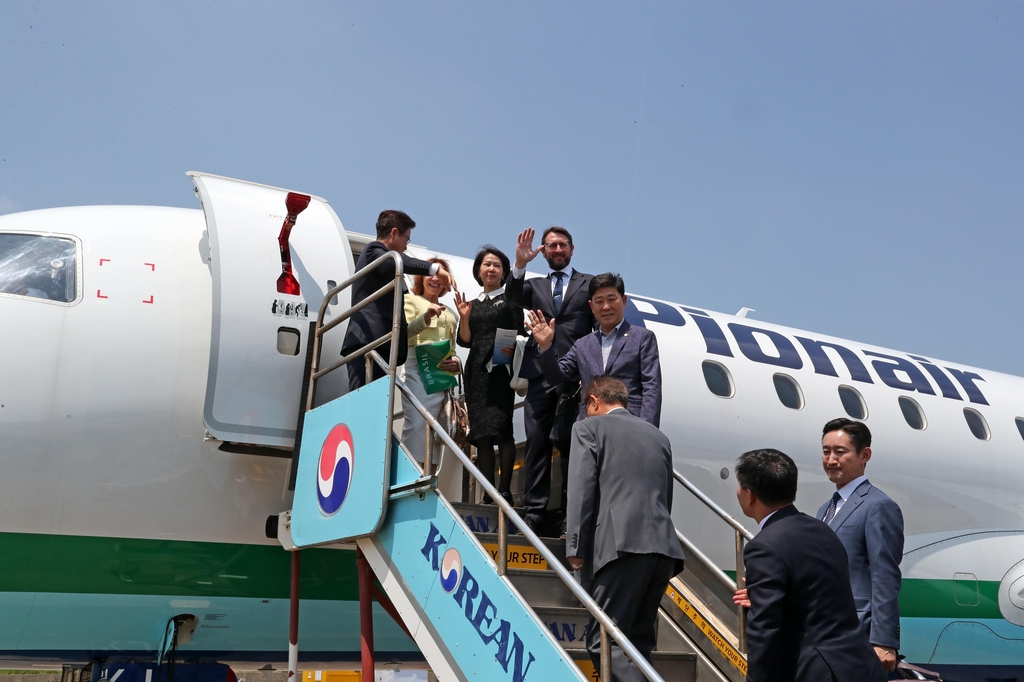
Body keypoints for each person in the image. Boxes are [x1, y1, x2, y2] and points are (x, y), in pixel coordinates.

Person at [565, 375, 685, 682]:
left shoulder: (588, 429)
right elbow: (666, 495)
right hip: (663, 549)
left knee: (603, 640)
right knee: (638, 642)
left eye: (586, 405)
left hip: (621, 548)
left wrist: (576, 548)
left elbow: (581, 490)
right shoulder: (657, 436)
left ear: (594, 400)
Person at [733, 448, 886, 682]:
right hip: (859, 666)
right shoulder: (823, 530)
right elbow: (818, 595)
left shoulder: (763, 546)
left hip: (816, 672)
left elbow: (765, 628)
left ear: (750, 495)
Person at [505, 226, 594, 534]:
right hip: (540, 373)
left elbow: (598, 328)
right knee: (537, 444)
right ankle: (535, 513)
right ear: (542, 250)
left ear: (571, 248)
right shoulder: (535, 285)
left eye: (562, 245)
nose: (557, 250)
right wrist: (519, 265)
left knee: (573, 447)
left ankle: (572, 516)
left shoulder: (589, 284)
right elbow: (512, 299)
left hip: (575, 377)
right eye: (551, 246)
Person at [819, 418, 904, 672]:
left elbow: (885, 575)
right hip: (824, 633)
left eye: (840, 452)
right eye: (826, 451)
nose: (831, 460)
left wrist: (884, 640)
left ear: (864, 454)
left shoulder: (878, 505)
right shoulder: (826, 509)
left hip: (860, 633)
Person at [525, 272, 662, 427]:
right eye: (599, 301)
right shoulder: (582, 344)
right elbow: (556, 378)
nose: (606, 307)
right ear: (591, 306)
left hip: (629, 425)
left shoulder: (642, 337)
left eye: (611, 299)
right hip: (589, 427)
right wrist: (545, 346)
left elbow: (652, 388)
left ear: (623, 301)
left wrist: (647, 431)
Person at [341, 210, 453, 391]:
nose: (406, 246)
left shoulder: (392, 264)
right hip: (368, 342)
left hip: (383, 346)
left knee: (376, 404)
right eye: (406, 239)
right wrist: (435, 269)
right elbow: (396, 260)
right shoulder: (373, 251)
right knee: (363, 401)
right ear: (394, 233)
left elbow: (401, 261)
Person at [453, 246, 524, 505]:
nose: (491, 269)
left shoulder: (511, 301)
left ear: (504, 272)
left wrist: (513, 345)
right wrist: (463, 317)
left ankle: (505, 490)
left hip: (500, 371)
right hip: (477, 373)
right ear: (479, 271)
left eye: (496, 265)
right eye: (486, 264)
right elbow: (464, 341)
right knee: (481, 435)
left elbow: (522, 334)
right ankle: (488, 492)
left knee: (502, 431)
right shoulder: (470, 304)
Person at [400, 258, 461, 490]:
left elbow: (453, 349)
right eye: (430, 274)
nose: (434, 279)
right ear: (421, 277)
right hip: (418, 367)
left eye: (440, 275)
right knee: (416, 424)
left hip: (441, 374)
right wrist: (426, 317)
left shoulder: (452, 315)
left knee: (436, 432)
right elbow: (404, 335)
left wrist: (456, 363)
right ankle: (409, 480)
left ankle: (428, 481)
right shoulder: (409, 300)